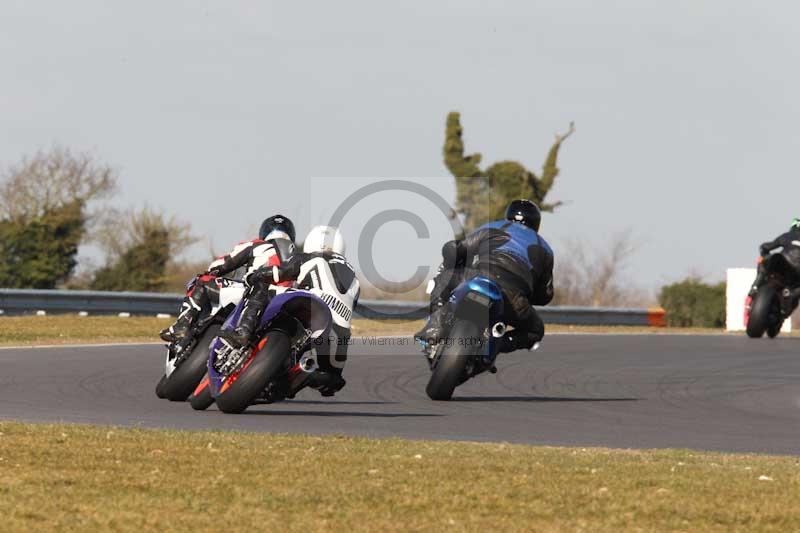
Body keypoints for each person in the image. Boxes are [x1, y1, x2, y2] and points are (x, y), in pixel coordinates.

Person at [220, 225, 359, 397]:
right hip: (336, 333)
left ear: (311, 242)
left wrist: (256, 275)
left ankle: (244, 331)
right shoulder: (355, 280)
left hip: (308, 304)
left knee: (262, 286)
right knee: (333, 380)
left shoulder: (310, 257)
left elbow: (281, 272)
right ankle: (299, 376)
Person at [415, 199, 554, 353]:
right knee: (536, 330)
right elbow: (545, 295)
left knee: (442, 280)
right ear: (536, 223)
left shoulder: (495, 226)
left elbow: (458, 249)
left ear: (508, 215)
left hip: (478, 276)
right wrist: (527, 293)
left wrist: (451, 264)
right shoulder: (545, 248)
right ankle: (498, 345)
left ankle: (435, 327)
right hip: (514, 297)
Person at [159, 215, 296, 343]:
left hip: (252, 293)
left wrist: (213, 272)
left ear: (264, 233)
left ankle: (182, 325)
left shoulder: (258, 245)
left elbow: (224, 263)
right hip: (284, 301)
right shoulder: (299, 257)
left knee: (203, 281)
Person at [750, 217, 800, 313]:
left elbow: (766, 246)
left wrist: (764, 254)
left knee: (763, 262)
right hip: (796, 273)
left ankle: (755, 287)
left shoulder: (787, 235)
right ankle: (789, 299)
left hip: (783, 263)